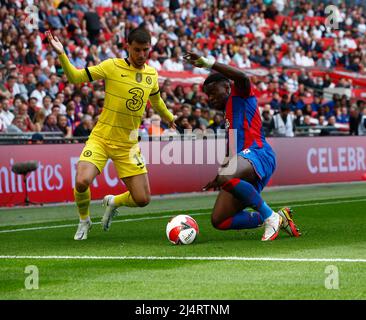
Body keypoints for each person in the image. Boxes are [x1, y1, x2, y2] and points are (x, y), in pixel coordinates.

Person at [46, 28, 176, 240]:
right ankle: (84, 220)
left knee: (142, 199)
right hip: (101, 139)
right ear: (127, 47)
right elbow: (75, 77)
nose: (141, 55)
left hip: (128, 145)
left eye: (145, 50)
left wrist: (169, 117)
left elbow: (156, 101)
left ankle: (113, 202)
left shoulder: (151, 74)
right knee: (81, 181)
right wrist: (61, 54)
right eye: (137, 50)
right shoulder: (111, 66)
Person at [184, 52, 301, 241]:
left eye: (214, 92)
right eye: (208, 95)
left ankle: (270, 218)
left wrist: (208, 63)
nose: (211, 98)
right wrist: (218, 177)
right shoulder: (228, 115)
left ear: (227, 86)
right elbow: (231, 152)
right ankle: (276, 217)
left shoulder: (241, 95)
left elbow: (243, 77)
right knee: (219, 220)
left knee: (227, 175)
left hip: (259, 154)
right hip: (245, 162)